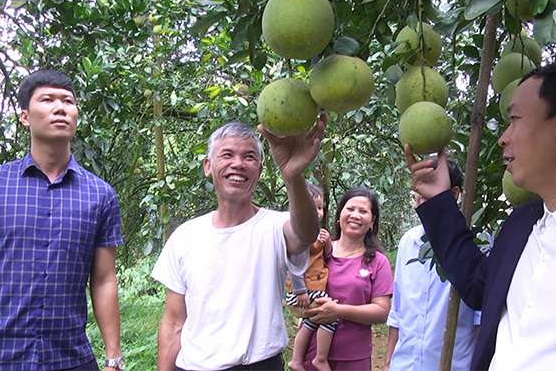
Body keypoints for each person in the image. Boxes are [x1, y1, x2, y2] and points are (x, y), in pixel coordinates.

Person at [404, 61, 556, 370]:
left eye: (514, 119)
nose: (503, 138)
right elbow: (481, 289)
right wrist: (438, 202)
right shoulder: (520, 224)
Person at [0, 70, 125, 371]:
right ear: (25, 116)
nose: (60, 108)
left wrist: (114, 358)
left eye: (68, 101)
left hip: (69, 359)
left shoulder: (101, 195)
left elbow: (104, 279)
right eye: (47, 99)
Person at [151, 115, 326, 371]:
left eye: (249, 157)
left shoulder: (275, 227)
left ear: (260, 169)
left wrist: (293, 175)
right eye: (227, 155)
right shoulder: (185, 236)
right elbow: (173, 322)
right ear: (208, 166)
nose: (238, 164)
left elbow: (305, 233)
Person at [384, 158, 479, 371]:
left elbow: (480, 316)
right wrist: (389, 362)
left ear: (453, 194)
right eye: (420, 184)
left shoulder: (477, 243)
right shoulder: (409, 242)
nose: (422, 193)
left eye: (431, 184)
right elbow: (398, 310)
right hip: (405, 365)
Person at [293, 186, 393, 371]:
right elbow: (295, 293)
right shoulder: (316, 251)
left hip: (353, 358)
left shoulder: (378, 262)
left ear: (372, 222)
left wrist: (338, 311)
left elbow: (381, 312)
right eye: (350, 209)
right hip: (310, 355)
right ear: (339, 217)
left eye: (363, 211)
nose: (356, 215)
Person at [286, 182, 336, 371]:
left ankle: (297, 360)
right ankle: (320, 359)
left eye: (320, 208)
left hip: (312, 288)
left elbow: (326, 260)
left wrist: (328, 244)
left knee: (312, 319)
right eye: (310, 207)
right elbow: (294, 264)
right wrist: (300, 291)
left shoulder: (318, 234)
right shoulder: (298, 233)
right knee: (332, 313)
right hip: (303, 290)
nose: (317, 212)